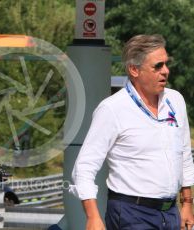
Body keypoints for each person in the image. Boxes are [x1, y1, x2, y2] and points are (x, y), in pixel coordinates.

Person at [69, 34, 194, 230]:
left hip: (170, 213)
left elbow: (185, 154)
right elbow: (84, 168)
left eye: (166, 64)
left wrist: (187, 203)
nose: (166, 71)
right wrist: (92, 216)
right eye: (158, 66)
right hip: (131, 213)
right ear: (134, 70)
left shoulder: (175, 101)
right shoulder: (112, 109)